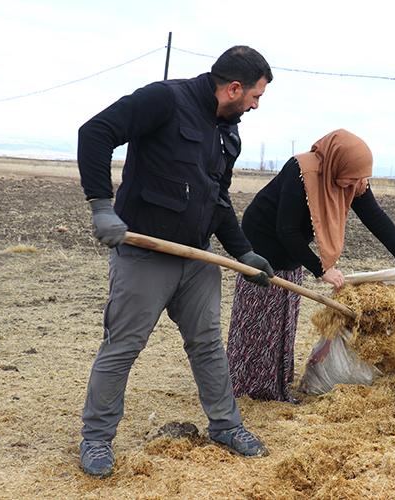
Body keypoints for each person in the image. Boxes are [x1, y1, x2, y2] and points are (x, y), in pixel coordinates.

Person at [76, 45, 276, 478]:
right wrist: (101, 205)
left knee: (207, 345)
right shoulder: (165, 99)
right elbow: (95, 132)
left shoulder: (228, 134)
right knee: (123, 347)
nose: (256, 106)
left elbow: (218, 199)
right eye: (255, 96)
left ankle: (226, 426)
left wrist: (243, 251)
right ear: (234, 88)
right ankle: (96, 438)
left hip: (196, 257)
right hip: (144, 255)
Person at [226, 129, 395, 403]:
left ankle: (274, 383)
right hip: (262, 242)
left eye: (359, 180)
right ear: (337, 163)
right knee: (262, 316)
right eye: (351, 179)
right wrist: (321, 269)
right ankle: (247, 385)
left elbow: (374, 216)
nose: (354, 186)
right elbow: (286, 229)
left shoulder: (351, 178)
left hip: (292, 246)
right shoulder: (301, 170)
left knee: (284, 317)